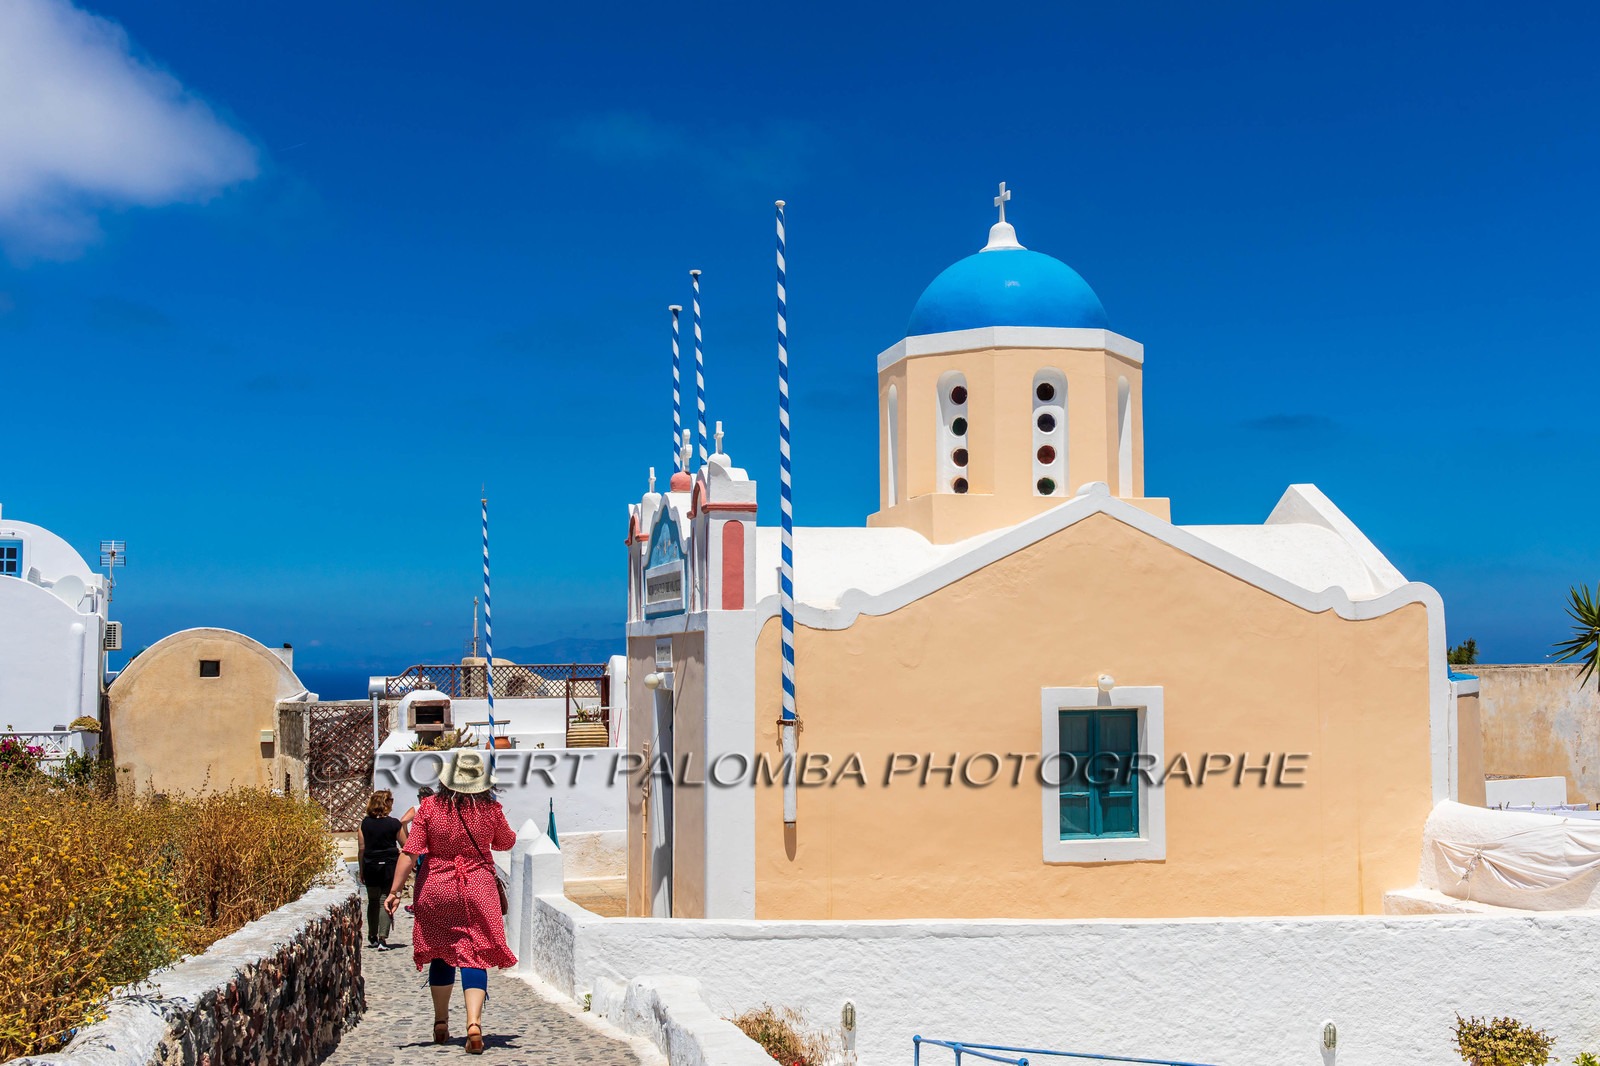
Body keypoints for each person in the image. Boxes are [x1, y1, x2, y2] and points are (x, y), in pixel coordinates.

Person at [386, 752, 515, 1054]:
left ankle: (441, 1022)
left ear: (446, 781)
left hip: (437, 887)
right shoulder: (490, 809)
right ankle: (474, 1024)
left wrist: (394, 891)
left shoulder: (430, 807)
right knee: (474, 955)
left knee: (441, 953)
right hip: (478, 888)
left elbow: (411, 852)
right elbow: (506, 842)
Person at [357, 790, 406, 951]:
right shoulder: (394, 824)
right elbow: (405, 845)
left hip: (370, 865)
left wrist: (362, 870)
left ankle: (372, 936)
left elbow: (361, 849)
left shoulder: (364, 824)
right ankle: (383, 939)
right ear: (386, 803)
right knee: (385, 899)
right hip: (389, 866)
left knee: (373, 901)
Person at [399, 785, 434, 914]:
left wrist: (406, 842)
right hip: (435, 848)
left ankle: (417, 905)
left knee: (420, 878)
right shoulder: (438, 808)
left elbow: (403, 821)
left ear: (421, 797)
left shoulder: (418, 808)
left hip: (422, 849)